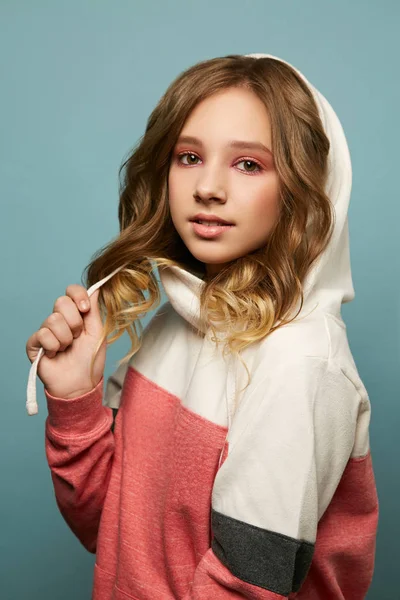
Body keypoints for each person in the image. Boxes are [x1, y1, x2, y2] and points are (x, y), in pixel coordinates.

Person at [25, 53, 379, 599]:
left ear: (305, 188)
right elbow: (108, 531)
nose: (207, 186)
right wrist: (75, 401)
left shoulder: (300, 363)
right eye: (188, 156)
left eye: (248, 164)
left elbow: (245, 587)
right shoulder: (177, 323)